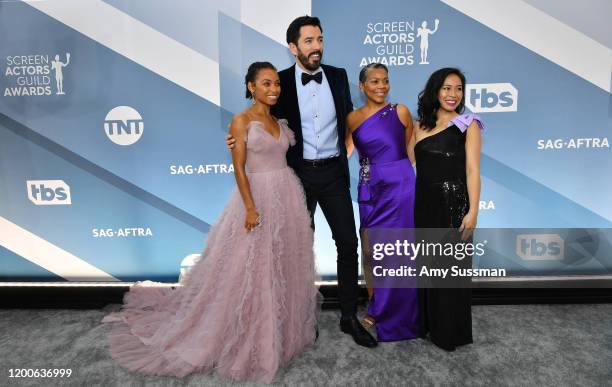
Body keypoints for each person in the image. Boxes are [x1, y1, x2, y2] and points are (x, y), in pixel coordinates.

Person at [101, 62, 318, 383]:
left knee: (281, 264)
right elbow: (240, 168)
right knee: (252, 269)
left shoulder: (279, 122)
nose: (274, 89)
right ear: (250, 87)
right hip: (257, 197)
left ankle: (279, 332)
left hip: (286, 194)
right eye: (266, 84)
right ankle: (251, 336)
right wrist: (250, 208)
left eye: (276, 84)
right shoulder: (241, 121)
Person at [227, 16, 377, 348]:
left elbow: (350, 122)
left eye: (319, 39)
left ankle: (349, 316)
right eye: (308, 41)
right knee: (296, 249)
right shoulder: (278, 83)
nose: (317, 47)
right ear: (293, 47)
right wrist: (238, 140)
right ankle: (298, 317)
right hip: (297, 177)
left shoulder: (338, 77)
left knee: (347, 244)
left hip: (334, 174)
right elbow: (260, 123)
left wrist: (344, 155)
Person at [410, 67, 484, 351]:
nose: (453, 95)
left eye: (458, 88)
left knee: (452, 272)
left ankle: (450, 333)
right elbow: (405, 167)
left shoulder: (469, 124)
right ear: (435, 90)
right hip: (424, 204)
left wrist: (473, 211)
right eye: (447, 88)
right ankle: (428, 325)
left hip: (454, 205)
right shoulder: (418, 126)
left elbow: (473, 171)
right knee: (428, 268)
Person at [344, 63, 420, 341]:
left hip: (399, 185)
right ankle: (376, 304)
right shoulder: (352, 118)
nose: (381, 86)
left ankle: (402, 309)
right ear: (362, 86)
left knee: (400, 249)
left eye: (385, 81)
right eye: (374, 81)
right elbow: (345, 152)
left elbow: (410, 146)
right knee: (371, 250)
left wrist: (398, 173)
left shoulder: (400, 111)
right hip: (369, 187)